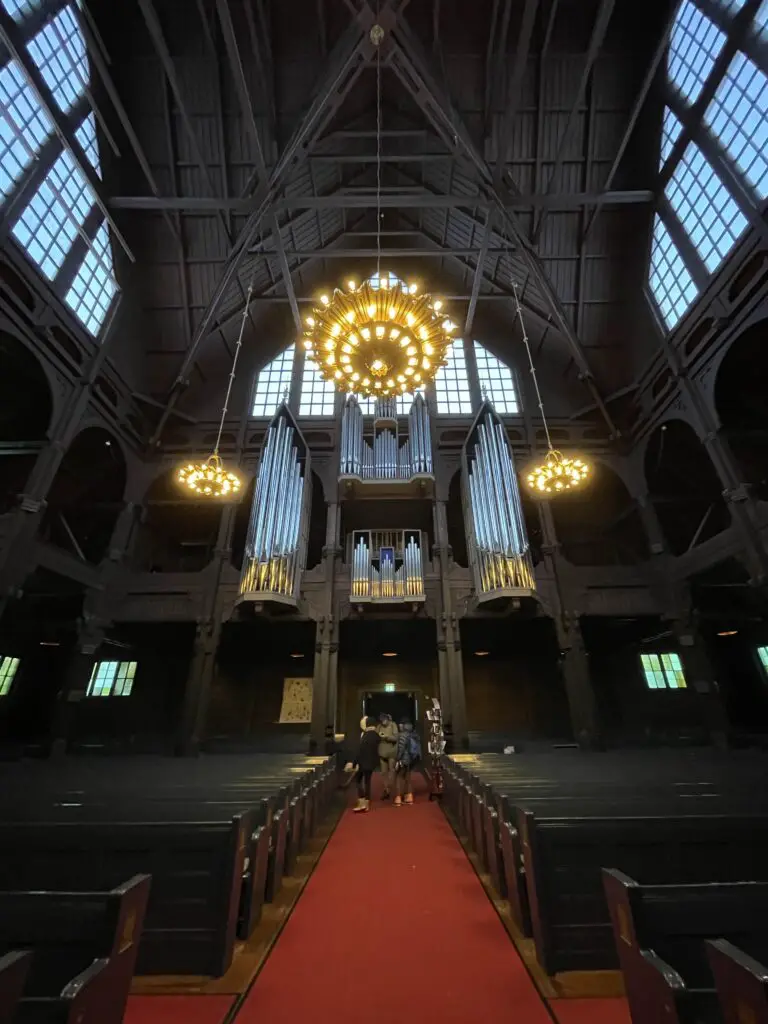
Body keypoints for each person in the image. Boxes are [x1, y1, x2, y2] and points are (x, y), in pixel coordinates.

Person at [351, 716, 380, 813]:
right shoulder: (376, 736)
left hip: (363, 762)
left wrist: (354, 763)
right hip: (371, 763)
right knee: (368, 782)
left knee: (358, 780)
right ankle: (367, 803)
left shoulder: (365, 736)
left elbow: (359, 751)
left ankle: (361, 801)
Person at [394, 719, 421, 806]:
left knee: (398, 777)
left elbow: (401, 749)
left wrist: (397, 759)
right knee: (407, 778)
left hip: (403, 760)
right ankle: (409, 797)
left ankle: (398, 798)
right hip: (410, 760)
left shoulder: (402, 735)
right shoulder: (413, 735)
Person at [376, 712, 399, 799]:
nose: (383, 722)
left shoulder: (393, 725)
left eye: (384, 720)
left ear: (387, 719)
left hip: (391, 752)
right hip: (382, 752)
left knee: (392, 771)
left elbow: (396, 738)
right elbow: (376, 735)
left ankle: (391, 787)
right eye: (381, 721)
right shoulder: (379, 726)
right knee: (383, 772)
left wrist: (386, 737)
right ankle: (386, 790)